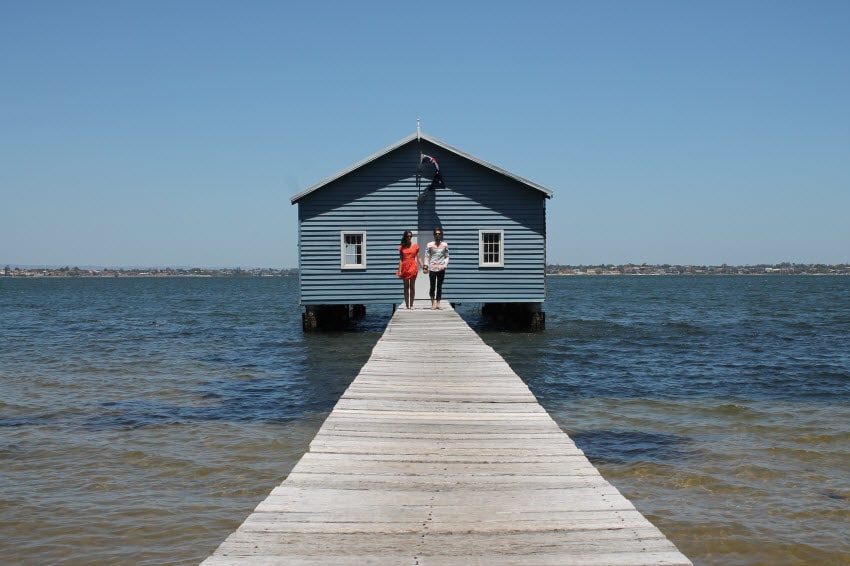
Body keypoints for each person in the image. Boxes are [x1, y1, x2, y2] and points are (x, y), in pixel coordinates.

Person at [396, 230, 423, 309]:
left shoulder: (415, 246)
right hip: (405, 267)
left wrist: (423, 266)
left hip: (413, 266)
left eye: (410, 236)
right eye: (407, 236)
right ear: (405, 236)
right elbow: (400, 259)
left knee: (412, 286)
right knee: (406, 286)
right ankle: (406, 305)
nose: (409, 237)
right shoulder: (402, 247)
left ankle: (411, 305)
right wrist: (399, 270)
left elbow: (419, 257)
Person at [424, 227, 449, 309]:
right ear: (434, 235)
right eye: (436, 234)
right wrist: (425, 266)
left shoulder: (445, 245)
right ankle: (433, 304)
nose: (437, 235)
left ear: (441, 235)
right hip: (432, 268)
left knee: (439, 286)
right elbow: (427, 257)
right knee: (432, 286)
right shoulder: (429, 245)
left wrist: (445, 265)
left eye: (439, 234)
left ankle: (438, 303)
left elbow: (447, 256)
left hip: (441, 268)